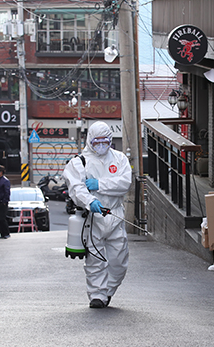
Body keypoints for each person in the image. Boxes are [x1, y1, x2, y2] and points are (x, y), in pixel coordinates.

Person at [63, 121, 132, 308]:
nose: (101, 145)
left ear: (110, 140)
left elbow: (125, 183)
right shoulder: (79, 162)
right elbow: (76, 188)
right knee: (95, 259)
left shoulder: (119, 159)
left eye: (105, 141)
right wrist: (89, 201)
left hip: (115, 214)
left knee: (119, 260)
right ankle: (97, 295)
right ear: (89, 141)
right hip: (92, 217)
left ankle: (108, 290)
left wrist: (100, 185)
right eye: (97, 142)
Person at [0, 165, 11, 239]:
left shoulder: (5, 181)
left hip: (2, 203)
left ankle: (6, 233)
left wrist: (4, 201)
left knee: (2, 218)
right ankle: (2, 233)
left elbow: (7, 192)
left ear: (1, 172)